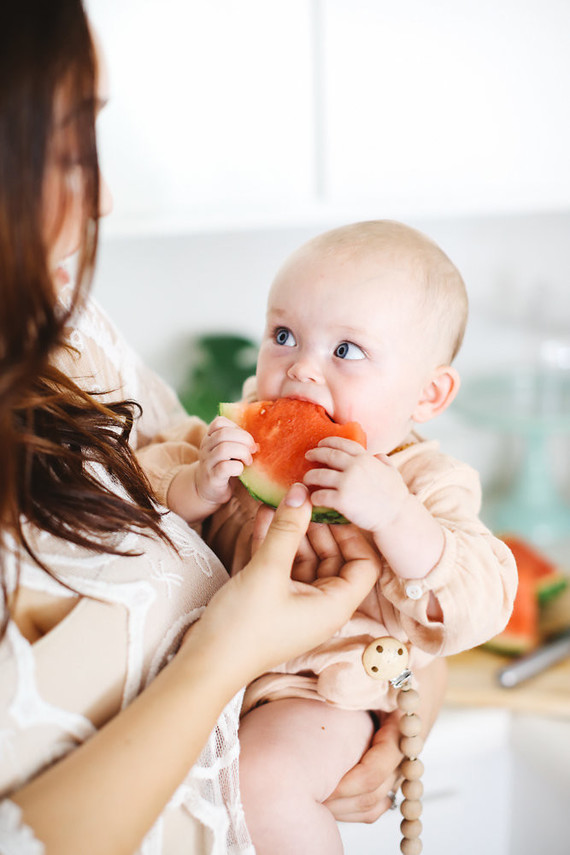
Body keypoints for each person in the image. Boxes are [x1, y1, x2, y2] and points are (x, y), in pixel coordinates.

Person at [0, 4, 419, 854]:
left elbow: (197, 484)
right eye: (68, 150)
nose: (104, 196)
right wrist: (227, 654)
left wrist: (394, 694)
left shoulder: (68, 332)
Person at [142, 220, 518, 853]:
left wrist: (396, 516)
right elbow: (138, 482)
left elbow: (483, 598)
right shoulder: (235, 438)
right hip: (218, 683)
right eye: (283, 336)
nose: (301, 371)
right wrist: (193, 487)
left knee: (262, 783)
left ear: (428, 394)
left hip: (325, 693)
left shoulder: (426, 483)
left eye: (346, 350)